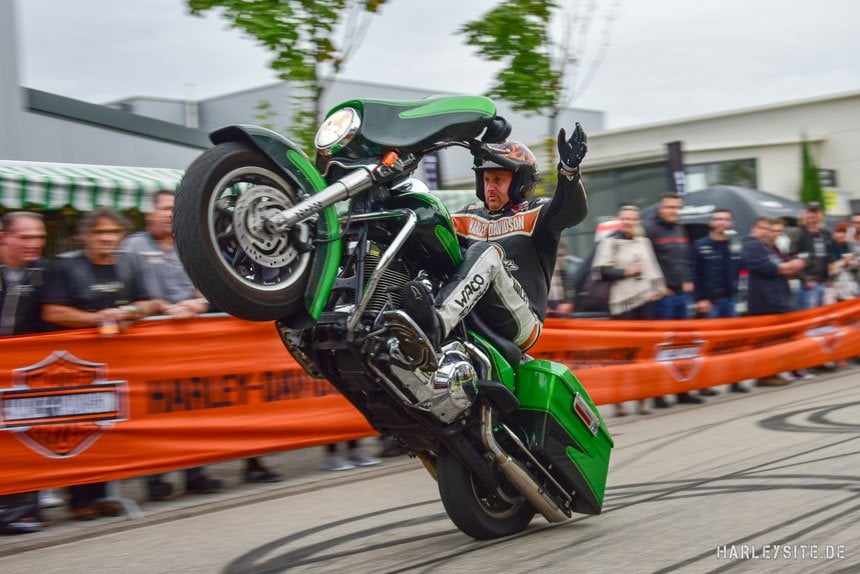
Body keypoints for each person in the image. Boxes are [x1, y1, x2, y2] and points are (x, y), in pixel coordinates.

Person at [123, 191, 279, 497]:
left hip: (197, 345)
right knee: (158, 415)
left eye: (173, 209)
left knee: (202, 408)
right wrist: (156, 307)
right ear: (149, 214)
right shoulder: (132, 248)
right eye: (164, 209)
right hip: (153, 348)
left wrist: (197, 302)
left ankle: (197, 472)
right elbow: (125, 297)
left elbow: (209, 281)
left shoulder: (190, 243)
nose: (169, 215)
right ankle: (155, 478)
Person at [398, 125, 589, 359]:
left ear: (521, 182)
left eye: (498, 180)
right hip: (475, 312)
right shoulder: (469, 215)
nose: (490, 188)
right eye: (486, 180)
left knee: (485, 252)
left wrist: (569, 173)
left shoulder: (537, 212)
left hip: (523, 321)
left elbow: (572, 211)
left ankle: (435, 323)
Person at [41, 207, 161, 520]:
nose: (106, 238)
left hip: (117, 365)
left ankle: (106, 493)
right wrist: (95, 320)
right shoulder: (65, 266)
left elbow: (152, 302)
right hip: (72, 367)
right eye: (98, 232)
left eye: (112, 232)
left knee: (109, 428)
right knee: (80, 430)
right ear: (85, 236)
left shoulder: (130, 262)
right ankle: (79, 499)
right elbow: (53, 312)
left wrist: (128, 313)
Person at [0, 212, 50, 534]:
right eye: (26, 237)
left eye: (40, 238)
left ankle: (21, 510)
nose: (35, 244)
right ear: (3, 236)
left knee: (23, 435)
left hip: (23, 371)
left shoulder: (45, 272)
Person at [592, 205, 665, 416]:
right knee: (622, 354)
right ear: (619, 220)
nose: (629, 222)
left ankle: (643, 400)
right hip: (621, 303)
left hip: (645, 301)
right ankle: (619, 400)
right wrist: (626, 271)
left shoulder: (644, 242)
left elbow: (652, 267)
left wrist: (657, 288)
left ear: (637, 220)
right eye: (625, 218)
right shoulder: (610, 242)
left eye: (633, 218)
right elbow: (601, 272)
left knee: (644, 352)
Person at [645, 194, 702, 408]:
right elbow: (647, 261)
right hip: (663, 298)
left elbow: (686, 260)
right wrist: (660, 286)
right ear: (661, 208)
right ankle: (659, 394)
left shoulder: (680, 229)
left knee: (684, 346)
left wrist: (688, 280)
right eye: (669, 207)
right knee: (662, 348)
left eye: (676, 207)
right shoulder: (651, 230)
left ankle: (682, 391)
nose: (673, 210)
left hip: (682, 296)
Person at [742, 217, 807, 386]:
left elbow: (784, 267)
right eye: (762, 228)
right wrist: (791, 265)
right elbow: (769, 267)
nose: (766, 232)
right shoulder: (752, 245)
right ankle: (765, 375)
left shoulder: (769, 247)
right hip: (763, 300)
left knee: (774, 340)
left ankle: (773, 372)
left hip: (776, 298)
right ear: (753, 229)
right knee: (765, 341)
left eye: (768, 228)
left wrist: (789, 266)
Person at [691, 208, 748, 394]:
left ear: (730, 224)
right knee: (707, 345)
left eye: (725, 219)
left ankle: (735, 381)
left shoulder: (735, 244)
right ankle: (704, 384)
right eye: (717, 219)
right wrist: (700, 299)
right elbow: (694, 274)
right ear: (711, 223)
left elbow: (742, 270)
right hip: (710, 302)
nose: (721, 222)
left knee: (732, 343)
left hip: (731, 300)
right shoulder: (700, 245)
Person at [789, 202, 836, 310]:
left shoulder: (825, 233)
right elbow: (791, 257)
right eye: (810, 211)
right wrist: (805, 279)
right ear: (804, 214)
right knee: (810, 321)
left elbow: (830, 256)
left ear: (820, 215)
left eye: (815, 211)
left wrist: (830, 278)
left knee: (826, 320)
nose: (813, 215)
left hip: (825, 284)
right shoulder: (798, 232)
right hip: (809, 285)